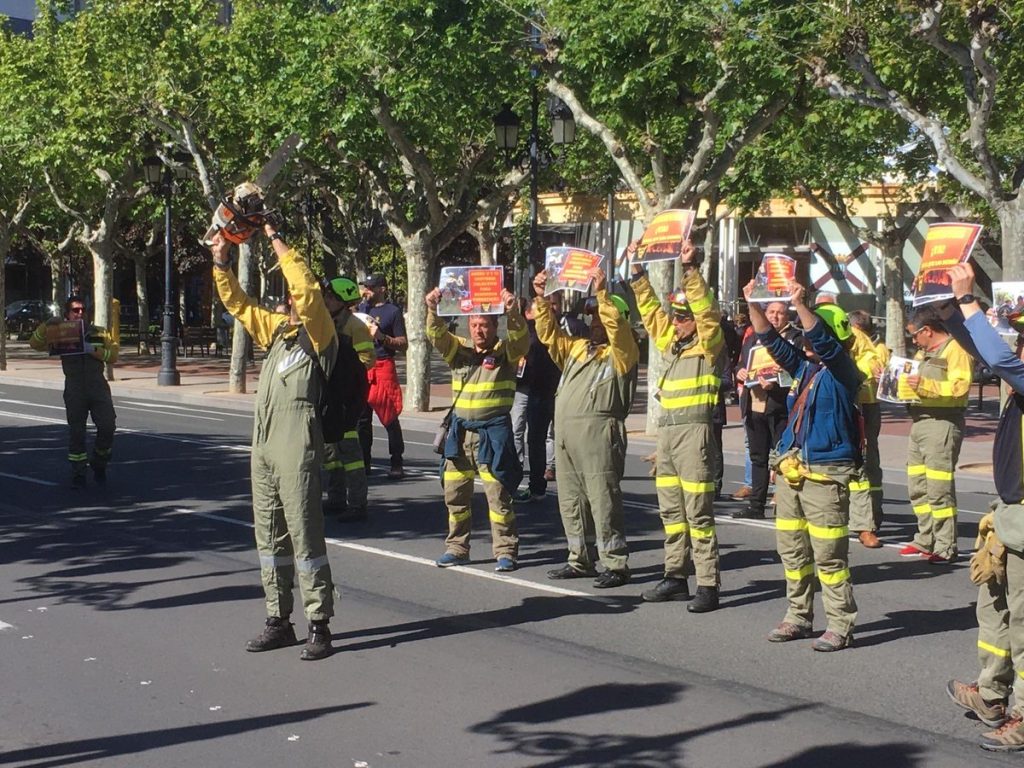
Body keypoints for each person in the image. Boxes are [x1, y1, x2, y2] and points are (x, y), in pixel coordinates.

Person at [210, 225, 337, 661]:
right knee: (269, 535)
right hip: (263, 443)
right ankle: (278, 621)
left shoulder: (320, 334)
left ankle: (319, 624)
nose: (288, 303)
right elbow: (237, 304)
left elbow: (305, 285)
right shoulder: (279, 333)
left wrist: (276, 238)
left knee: (304, 533)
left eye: (293, 299)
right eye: (285, 300)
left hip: (296, 441)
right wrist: (221, 260)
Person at [745, 278, 863, 652]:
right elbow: (772, 342)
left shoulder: (845, 373)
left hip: (826, 477)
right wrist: (753, 304)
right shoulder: (806, 371)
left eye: (815, 335)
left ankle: (840, 625)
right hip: (794, 473)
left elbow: (827, 344)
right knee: (793, 553)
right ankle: (798, 616)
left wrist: (800, 303)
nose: (808, 341)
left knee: (829, 557)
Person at [942, 263, 1024, 751]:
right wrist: (952, 310)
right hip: (1012, 513)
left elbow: (1000, 358)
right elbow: (992, 355)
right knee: (997, 610)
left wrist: (969, 301)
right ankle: (993, 695)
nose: (1017, 344)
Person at [629, 241, 723, 610]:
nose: (676, 322)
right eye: (676, 316)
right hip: (667, 437)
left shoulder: (708, 344)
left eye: (683, 317)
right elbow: (651, 312)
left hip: (695, 436)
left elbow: (708, 313)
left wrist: (690, 269)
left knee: (698, 512)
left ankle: (708, 584)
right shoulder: (672, 341)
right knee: (671, 512)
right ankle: (675, 576)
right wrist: (638, 274)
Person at [534, 266, 638, 588]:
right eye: (592, 317)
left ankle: (615, 563)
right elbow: (549, 335)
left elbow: (617, 329)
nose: (594, 322)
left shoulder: (623, 352)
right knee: (571, 500)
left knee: (603, 500)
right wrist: (542, 298)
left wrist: (603, 294)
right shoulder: (579, 348)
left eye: (600, 317)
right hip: (567, 437)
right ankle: (579, 559)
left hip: (599, 435)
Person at [425, 286, 527, 571]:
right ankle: (457, 548)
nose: (479, 330)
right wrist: (433, 309)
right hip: (460, 435)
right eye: (474, 324)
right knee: (455, 497)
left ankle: (506, 551)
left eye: (484, 325)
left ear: (496, 326)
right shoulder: (460, 349)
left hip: (493, 436)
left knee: (499, 498)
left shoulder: (506, 351)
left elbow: (521, 340)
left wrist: (514, 313)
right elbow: (436, 335)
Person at [899, 305, 973, 564]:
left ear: (927, 330)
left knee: (939, 488)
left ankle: (945, 546)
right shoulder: (922, 353)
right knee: (918, 486)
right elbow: (910, 383)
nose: (913, 341)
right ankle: (925, 538)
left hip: (942, 422)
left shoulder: (956, 349)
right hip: (919, 420)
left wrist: (924, 385)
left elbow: (960, 387)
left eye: (914, 335)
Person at [29, 295, 118, 487]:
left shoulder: (97, 332)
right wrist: (46, 325)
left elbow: (113, 356)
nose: (80, 314)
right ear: (67, 314)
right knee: (77, 432)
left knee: (108, 426)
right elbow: (34, 344)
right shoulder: (61, 333)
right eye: (75, 310)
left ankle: (99, 462)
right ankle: (79, 472)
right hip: (75, 388)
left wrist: (92, 350)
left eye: (82, 310)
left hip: (98, 387)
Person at [733, 301, 800, 520]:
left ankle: (786, 503)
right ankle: (756, 506)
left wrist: (777, 383)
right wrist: (740, 372)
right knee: (758, 458)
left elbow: (800, 371)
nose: (775, 317)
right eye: (771, 312)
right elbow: (740, 364)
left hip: (781, 407)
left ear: (787, 315)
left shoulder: (795, 339)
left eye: (780, 313)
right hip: (754, 405)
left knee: (784, 459)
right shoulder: (753, 337)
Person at [322, 277, 375, 521]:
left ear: (343, 302)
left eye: (331, 297)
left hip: (348, 398)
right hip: (328, 396)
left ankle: (357, 504)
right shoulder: (324, 322)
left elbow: (367, 360)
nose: (326, 300)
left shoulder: (355, 326)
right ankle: (335, 499)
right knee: (331, 453)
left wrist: (345, 363)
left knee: (351, 455)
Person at [357, 273, 408, 479]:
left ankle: (396, 462)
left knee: (389, 416)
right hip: (363, 365)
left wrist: (382, 337)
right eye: (365, 287)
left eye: (370, 287)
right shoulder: (361, 309)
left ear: (382, 289)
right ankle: (364, 462)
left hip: (383, 365)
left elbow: (403, 343)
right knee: (361, 418)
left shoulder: (392, 311)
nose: (366, 291)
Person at [512, 298, 561, 503]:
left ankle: (539, 482)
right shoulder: (526, 332)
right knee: (528, 436)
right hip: (530, 390)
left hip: (546, 390)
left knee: (542, 439)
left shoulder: (552, 331)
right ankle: (530, 484)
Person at [847, 310, 887, 549]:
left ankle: (867, 523)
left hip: (863, 406)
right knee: (865, 463)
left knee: (864, 464)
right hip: (859, 405)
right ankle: (867, 519)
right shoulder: (875, 348)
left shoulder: (868, 346)